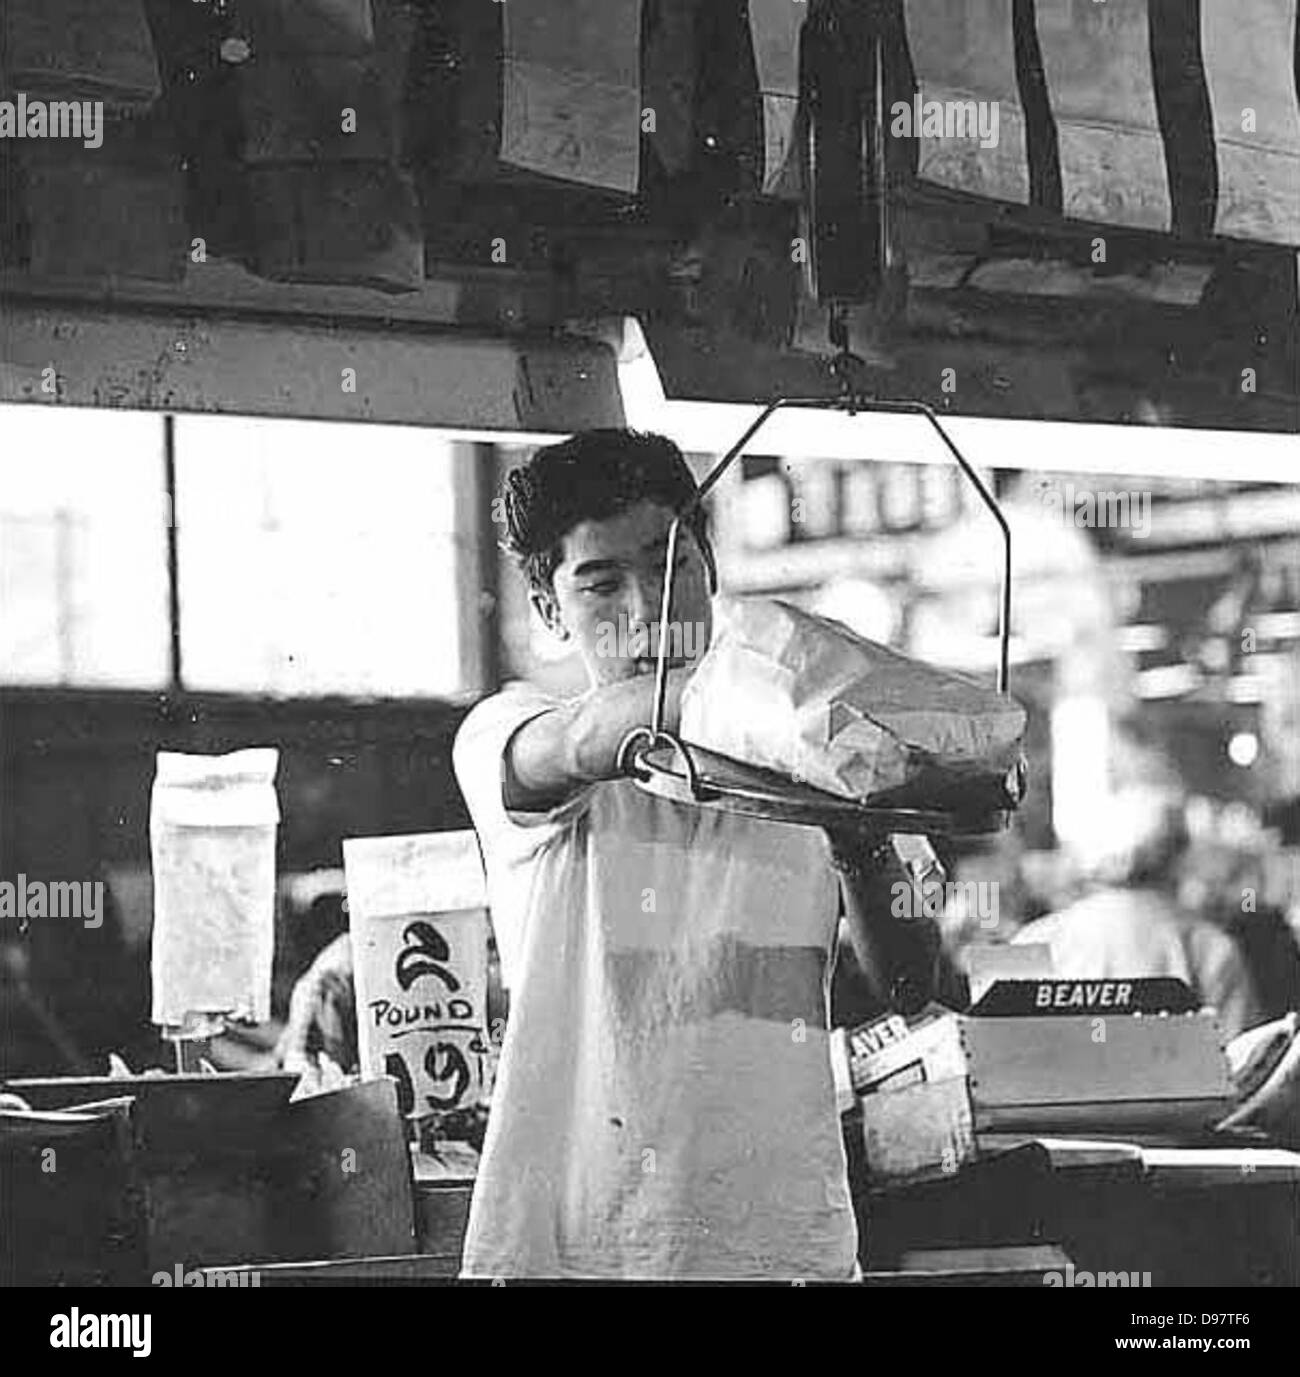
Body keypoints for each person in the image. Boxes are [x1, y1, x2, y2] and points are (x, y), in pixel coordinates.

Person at [451, 429, 944, 1280]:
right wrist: (796, 696)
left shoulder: (815, 747)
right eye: (601, 583)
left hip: (786, 1251)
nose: (647, 609)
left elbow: (911, 978)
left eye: (669, 563)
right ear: (547, 611)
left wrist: (860, 829)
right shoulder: (508, 732)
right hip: (574, 1256)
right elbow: (579, 742)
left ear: (710, 566)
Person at [1012, 787, 1265, 1040]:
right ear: (1179, 854)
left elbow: (997, 1052)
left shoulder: (1034, 939)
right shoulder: (1211, 948)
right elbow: (1242, 1062)